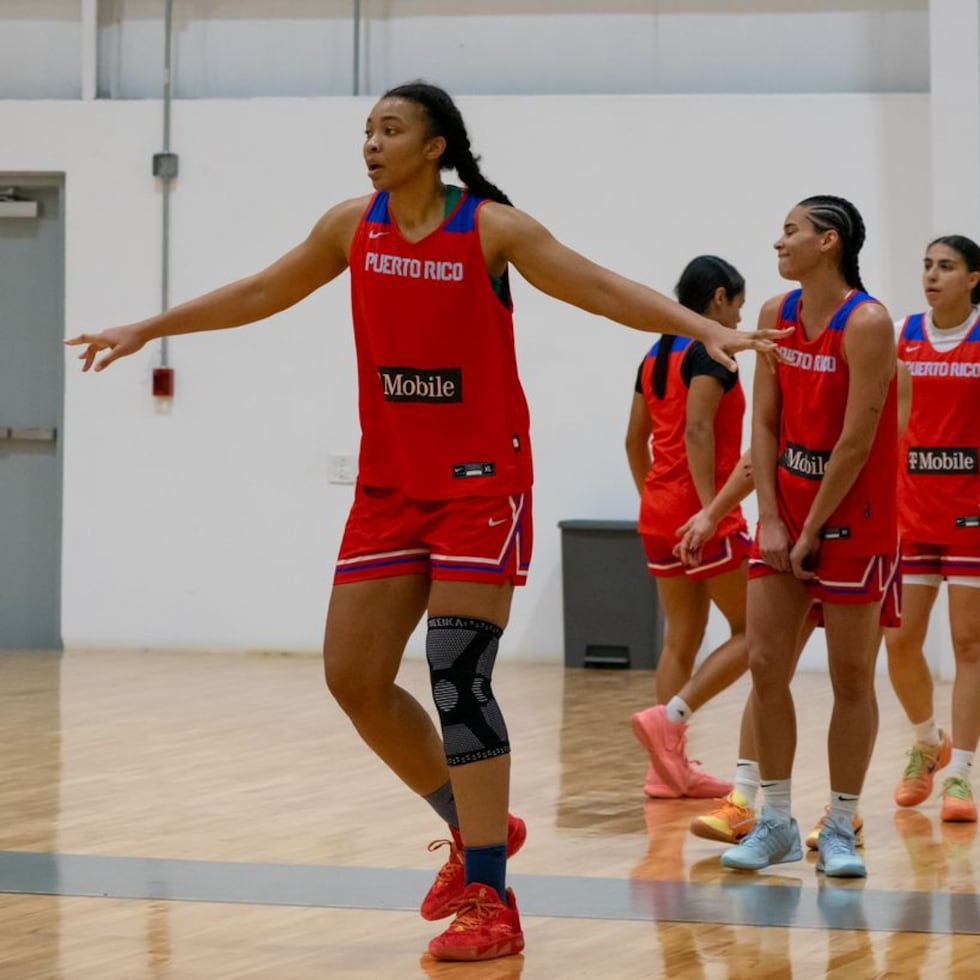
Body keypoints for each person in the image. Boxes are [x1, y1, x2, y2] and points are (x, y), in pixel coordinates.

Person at [65, 81, 783, 963]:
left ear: (435, 146)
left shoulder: (489, 229)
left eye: (391, 129)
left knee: (456, 671)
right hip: (390, 488)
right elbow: (261, 290)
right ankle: (476, 823)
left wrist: (699, 331)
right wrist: (150, 327)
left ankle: (489, 896)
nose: (372, 142)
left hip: (482, 487)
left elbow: (598, 286)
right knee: (353, 677)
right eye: (367, 129)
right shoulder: (350, 226)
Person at [718, 195, 899, 880]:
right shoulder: (775, 314)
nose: (779, 241)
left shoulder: (868, 322)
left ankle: (842, 825)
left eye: (791, 231)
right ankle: (775, 821)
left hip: (855, 517)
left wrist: (814, 528)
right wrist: (770, 517)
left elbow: (856, 440)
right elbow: (764, 424)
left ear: (829, 242)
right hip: (786, 515)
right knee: (767, 665)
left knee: (851, 677)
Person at [625, 255, 751, 800]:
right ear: (719, 298)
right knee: (758, 633)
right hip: (704, 515)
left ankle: (665, 771)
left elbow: (634, 441)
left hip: (658, 512)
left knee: (680, 638)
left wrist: (654, 499)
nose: (738, 317)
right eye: (738, 305)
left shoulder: (655, 353)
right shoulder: (709, 351)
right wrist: (708, 512)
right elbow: (698, 430)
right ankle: (671, 718)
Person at [885, 234, 980, 824]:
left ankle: (962, 774)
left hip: (972, 512)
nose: (932, 275)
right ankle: (927, 742)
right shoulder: (900, 333)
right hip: (910, 511)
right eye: (927, 265)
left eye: (946, 266)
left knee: (969, 644)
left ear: (973, 279)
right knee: (899, 641)